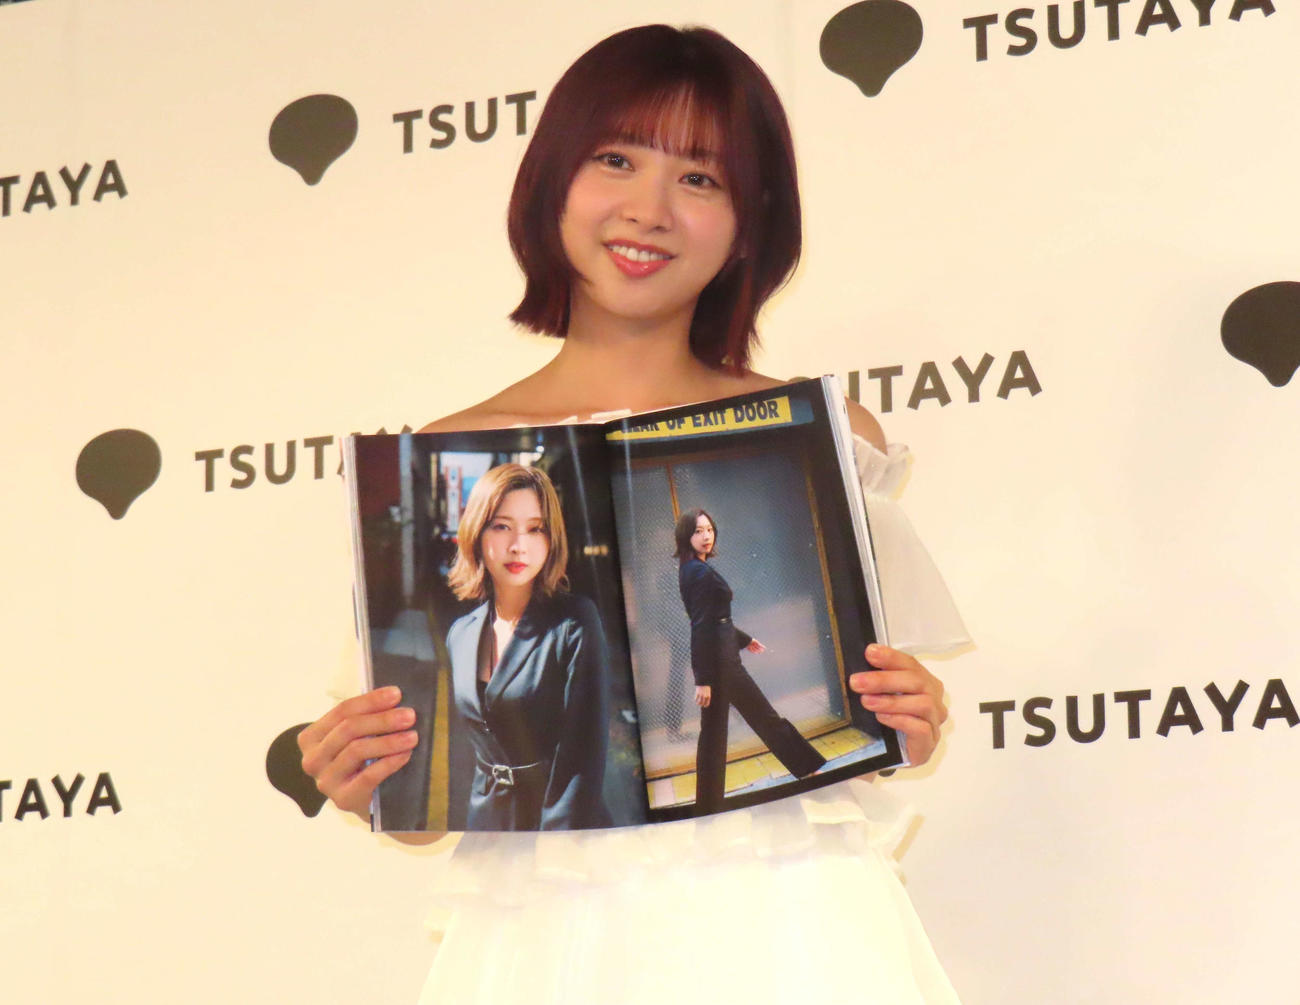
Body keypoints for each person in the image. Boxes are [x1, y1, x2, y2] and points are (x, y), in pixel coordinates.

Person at [299, 23, 966, 1003]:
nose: (649, 210)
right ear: (552, 181)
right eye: (616, 159)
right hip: (551, 940)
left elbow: (874, 720)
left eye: (699, 177)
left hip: (791, 923)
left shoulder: (821, 439)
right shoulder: (451, 458)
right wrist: (371, 772)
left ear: (751, 220)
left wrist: (907, 716)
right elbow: (432, 800)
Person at [443, 463, 610, 831]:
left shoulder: (574, 623)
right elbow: (477, 749)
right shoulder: (460, 634)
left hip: (554, 823)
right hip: (486, 823)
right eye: (502, 526)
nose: (518, 546)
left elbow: (583, 760)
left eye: (535, 529)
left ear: (551, 539)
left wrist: (555, 850)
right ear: (476, 532)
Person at [675, 507, 826, 813]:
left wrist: (743, 639)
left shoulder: (691, 568)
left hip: (721, 661)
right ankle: (809, 769)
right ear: (686, 536)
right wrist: (702, 679)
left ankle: (707, 805)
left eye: (709, 530)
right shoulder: (699, 573)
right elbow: (701, 625)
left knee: (713, 738)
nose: (706, 536)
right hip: (723, 667)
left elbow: (715, 620)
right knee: (765, 719)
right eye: (698, 531)